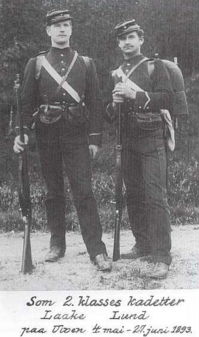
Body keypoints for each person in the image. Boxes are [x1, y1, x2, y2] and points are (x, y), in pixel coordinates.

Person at [13, 9, 112, 271]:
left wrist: (94, 138)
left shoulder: (85, 63)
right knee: (53, 191)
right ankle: (57, 244)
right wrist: (21, 132)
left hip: (77, 134)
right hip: (47, 133)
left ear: (71, 29)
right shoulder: (36, 63)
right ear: (48, 31)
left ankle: (97, 250)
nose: (62, 29)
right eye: (56, 26)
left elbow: (95, 101)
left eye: (66, 25)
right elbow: (25, 102)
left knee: (84, 191)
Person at [106, 19, 173, 279]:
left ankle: (162, 255)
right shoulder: (115, 73)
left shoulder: (155, 67)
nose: (127, 42)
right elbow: (108, 113)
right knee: (133, 193)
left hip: (152, 138)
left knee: (155, 196)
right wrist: (114, 103)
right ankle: (143, 243)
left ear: (141, 39)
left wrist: (138, 96)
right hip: (127, 141)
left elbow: (167, 98)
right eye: (122, 39)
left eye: (131, 37)